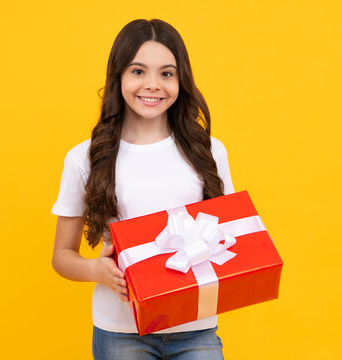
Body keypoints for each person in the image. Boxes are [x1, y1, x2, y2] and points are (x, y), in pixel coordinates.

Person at [51, 18, 234, 360]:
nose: (152, 85)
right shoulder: (84, 158)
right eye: (138, 71)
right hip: (121, 334)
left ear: (181, 80)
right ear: (118, 75)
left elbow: (227, 235)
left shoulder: (209, 151)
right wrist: (96, 270)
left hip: (196, 327)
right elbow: (61, 256)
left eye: (166, 73)